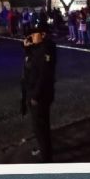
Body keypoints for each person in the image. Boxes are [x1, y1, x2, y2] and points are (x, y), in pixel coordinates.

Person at [20, 25, 57, 162]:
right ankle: (44, 149)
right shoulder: (39, 48)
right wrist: (26, 47)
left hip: (39, 97)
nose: (31, 37)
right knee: (41, 127)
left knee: (40, 129)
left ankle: (47, 159)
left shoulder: (46, 50)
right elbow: (30, 59)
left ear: (43, 34)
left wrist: (35, 96)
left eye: (34, 34)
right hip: (35, 94)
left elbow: (44, 76)